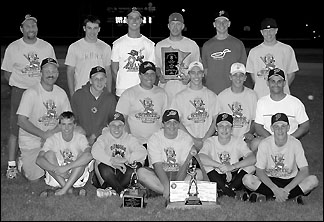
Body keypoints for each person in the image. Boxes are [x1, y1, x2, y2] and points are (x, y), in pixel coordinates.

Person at [1, 14, 56, 179]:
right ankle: (11, 165)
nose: (31, 29)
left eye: (34, 26)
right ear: (21, 29)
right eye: (27, 26)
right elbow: (6, 73)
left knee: (42, 123)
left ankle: (39, 156)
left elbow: (52, 69)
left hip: (41, 91)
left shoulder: (46, 47)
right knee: (15, 126)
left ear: (37, 28)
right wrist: (19, 84)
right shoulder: (14, 47)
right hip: (20, 91)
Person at [242, 113, 319, 204]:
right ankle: (292, 196)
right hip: (270, 179)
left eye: (283, 126)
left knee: (313, 180)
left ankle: (271, 196)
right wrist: (274, 189)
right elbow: (259, 171)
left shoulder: (295, 143)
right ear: (271, 128)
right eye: (276, 126)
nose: (280, 130)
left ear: (288, 127)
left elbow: (304, 170)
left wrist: (287, 189)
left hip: (290, 179)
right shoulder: (265, 144)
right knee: (247, 179)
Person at [16, 58, 71, 182]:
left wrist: (50, 136)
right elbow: (21, 121)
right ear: (41, 72)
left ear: (57, 74)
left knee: (61, 167)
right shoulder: (30, 93)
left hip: (53, 139)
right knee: (35, 179)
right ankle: (22, 163)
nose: (50, 74)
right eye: (47, 71)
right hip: (32, 140)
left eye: (53, 71)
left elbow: (67, 119)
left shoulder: (61, 93)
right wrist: (43, 135)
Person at [137, 109, 208, 199]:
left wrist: (177, 184)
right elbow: (157, 165)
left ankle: (164, 192)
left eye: (175, 122)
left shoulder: (186, 138)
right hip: (159, 174)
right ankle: (176, 192)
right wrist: (167, 186)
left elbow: (184, 166)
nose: (172, 126)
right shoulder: (154, 138)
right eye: (168, 122)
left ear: (178, 124)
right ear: (163, 124)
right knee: (141, 172)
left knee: (199, 174)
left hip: (180, 173)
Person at [115, 61, 168, 166]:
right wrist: (130, 140)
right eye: (146, 74)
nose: (149, 77)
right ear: (140, 75)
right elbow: (121, 119)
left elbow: (165, 119)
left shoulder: (162, 93)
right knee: (136, 171)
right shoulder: (129, 93)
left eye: (152, 74)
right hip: (136, 142)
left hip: (156, 142)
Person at [251, 68, 309, 152]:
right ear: (268, 83)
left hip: (289, 140)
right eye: (273, 81)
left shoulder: (295, 102)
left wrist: (290, 139)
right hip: (269, 139)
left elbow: (305, 125)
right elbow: (258, 126)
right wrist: (271, 139)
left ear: (284, 83)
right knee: (255, 143)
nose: (276, 84)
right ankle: (260, 164)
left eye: (279, 81)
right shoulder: (262, 102)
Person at [199, 113, 256, 198]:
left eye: (228, 126)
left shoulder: (238, 141)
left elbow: (252, 158)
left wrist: (232, 167)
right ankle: (228, 191)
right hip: (216, 175)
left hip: (233, 176)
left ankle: (226, 190)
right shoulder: (210, 141)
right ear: (216, 128)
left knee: (251, 166)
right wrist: (221, 166)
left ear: (232, 129)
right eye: (221, 126)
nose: (224, 129)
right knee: (205, 165)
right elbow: (200, 157)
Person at [36, 111, 93, 196]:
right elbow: (39, 160)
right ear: (59, 125)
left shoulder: (80, 138)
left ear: (74, 125)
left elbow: (88, 156)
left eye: (69, 124)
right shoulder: (52, 139)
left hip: (76, 174)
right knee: (48, 154)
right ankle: (68, 189)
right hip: (57, 175)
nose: (66, 128)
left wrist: (66, 168)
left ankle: (63, 190)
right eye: (63, 124)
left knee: (82, 155)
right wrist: (56, 169)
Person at [91, 112, 147, 196]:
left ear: (124, 126)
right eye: (113, 125)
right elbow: (95, 151)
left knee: (136, 166)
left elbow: (142, 151)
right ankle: (120, 190)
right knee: (101, 165)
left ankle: (110, 190)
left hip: (123, 171)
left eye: (120, 125)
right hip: (108, 173)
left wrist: (126, 159)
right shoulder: (103, 138)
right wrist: (111, 161)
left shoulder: (129, 138)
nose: (116, 128)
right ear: (108, 126)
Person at [155, 12, 201, 106]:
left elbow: (198, 67)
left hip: (186, 89)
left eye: (178, 24)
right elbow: (157, 66)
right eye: (172, 24)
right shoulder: (160, 45)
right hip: (166, 90)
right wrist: (160, 76)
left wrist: (189, 77)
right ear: (168, 26)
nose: (175, 27)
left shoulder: (191, 44)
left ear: (183, 26)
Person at [246, 17, 299, 99]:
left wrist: (280, 88)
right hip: (260, 96)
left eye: (271, 30)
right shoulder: (254, 51)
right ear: (261, 32)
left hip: (282, 96)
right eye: (265, 31)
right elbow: (253, 76)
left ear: (276, 30)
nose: (269, 33)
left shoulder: (287, 49)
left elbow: (291, 73)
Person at [170, 61, 218, 150]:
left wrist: (204, 140)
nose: (196, 76)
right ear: (189, 74)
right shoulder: (179, 97)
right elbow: (177, 121)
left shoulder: (212, 96)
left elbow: (215, 120)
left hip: (207, 143)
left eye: (199, 72)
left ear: (203, 74)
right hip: (185, 142)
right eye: (193, 73)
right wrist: (193, 140)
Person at [111, 7, 155, 99]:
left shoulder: (149, 44)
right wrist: (120, 85)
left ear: (141, 20)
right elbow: (114, 70)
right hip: (123, 91)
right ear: (126, 20)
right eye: (131, 18)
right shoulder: (117, 44)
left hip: (143, 91)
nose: (134, 20)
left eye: (137, 18)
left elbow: (151, 70)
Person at [65, 15, 112, 98]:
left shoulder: (105, 47)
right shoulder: (74, 47)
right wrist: (72, 93)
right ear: (84, 28)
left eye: (95, 28)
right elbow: (70, 72)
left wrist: (108, 93)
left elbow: (108, 71)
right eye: (89, 28)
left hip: (100, 92)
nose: (92, 31)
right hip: (80, 91)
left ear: (99, 29)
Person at [202, 10, 247, 95]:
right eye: (218, 22)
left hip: (233, 92)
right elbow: (206, 71)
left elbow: (242, 70)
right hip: (212, 92)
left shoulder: (238, 44)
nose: (221, 24)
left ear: (229, 23)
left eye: (224, 21)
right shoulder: (207, 45)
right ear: (214, 24)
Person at [71, 66, 117, 147]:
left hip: (101, 138)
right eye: (96, 79)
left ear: (106, 80)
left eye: (102, 79)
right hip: (82, 136)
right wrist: (84, 136)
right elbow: (73, 118)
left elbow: (111, 122)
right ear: (90, 81)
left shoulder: (110, 99)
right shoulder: (78, 95)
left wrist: (95, 136)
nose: (99, 82)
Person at [217, 62, 258, 146]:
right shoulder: (222, 96)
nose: (238, 78)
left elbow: (255, 120)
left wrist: (249, 133)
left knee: (257, 144)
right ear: (230, 77)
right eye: (235, 75)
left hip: (246, 139)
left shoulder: (252, 95)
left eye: (241, 75)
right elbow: (218, 122)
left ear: (245, 78)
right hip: (227, 138)